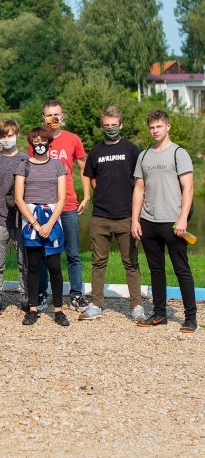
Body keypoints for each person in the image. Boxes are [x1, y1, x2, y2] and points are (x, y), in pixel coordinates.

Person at [132, 110, 197, 333]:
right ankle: (159, 314)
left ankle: (190, 317)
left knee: (181, 269)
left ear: (167, 127)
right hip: (149, 221)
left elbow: (188, 188)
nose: (155, 130)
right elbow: (139, 190)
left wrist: (182, 218)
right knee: (156, 270)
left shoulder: (179, 153)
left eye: (159, 126)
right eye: (151, 127)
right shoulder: (144, 156)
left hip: (173, 222)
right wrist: (135, 220)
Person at [79, 107, 145, 322]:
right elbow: (91, 178)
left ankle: (136, 306)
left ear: (121, 125)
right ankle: (96, 304)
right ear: (102, 127)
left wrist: (136, 212)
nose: (110, 129)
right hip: (101, 216)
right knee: (99, 262)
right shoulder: (96, 152)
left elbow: (139, 183)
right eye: (106, 126)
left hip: (127, 215)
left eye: (114, 125)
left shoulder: (131, 150)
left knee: (131, 263)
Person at [33, 100, 90, 313]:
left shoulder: (73, 139)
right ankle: (42, 293)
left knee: (73, 252)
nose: (53, 119)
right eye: (49, 115)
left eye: (57, 114)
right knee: (45, 253)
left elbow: (84, 167)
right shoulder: (37, 140)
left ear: (62, 116)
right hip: (45, 205)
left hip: (68, 204)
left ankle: (76, 295)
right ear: (43, 117)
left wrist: (86, 195)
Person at [15, 126, 70, 327]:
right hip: (31, 219)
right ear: (31, 143)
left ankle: (58, 310)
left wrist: (49, 224)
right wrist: (36, 224)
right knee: (34, 266)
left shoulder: (57, 166)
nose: (40, 144)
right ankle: (32, 309)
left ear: (49, 142)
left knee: (55, 266)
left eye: (43, 141)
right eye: (36, 141)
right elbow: (19, 198)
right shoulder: (23, 166)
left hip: (52, 218)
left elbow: (62, 197)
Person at [0, 119, 28, 317]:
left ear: (17, 134)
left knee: (24, 261)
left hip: (22, 220)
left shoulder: (26, 160)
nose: (7, 139)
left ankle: (26, 297)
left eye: (10, 135)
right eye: (3, 136)